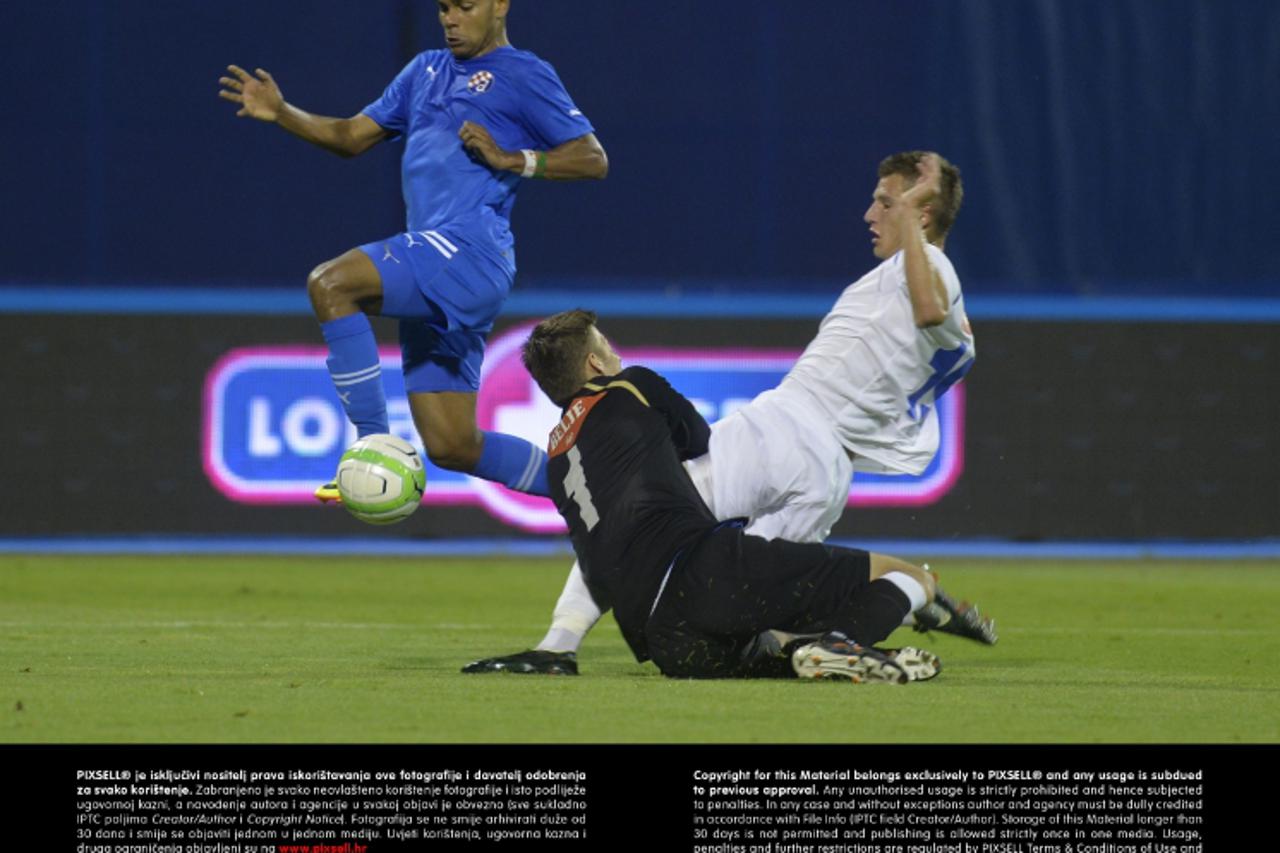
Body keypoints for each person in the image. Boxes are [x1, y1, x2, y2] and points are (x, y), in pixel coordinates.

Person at [464, 151, 993, 676]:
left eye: (886, 202)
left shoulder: (929, 267)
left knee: (638, 520)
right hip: (828, 470)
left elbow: (928, 309)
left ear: (923, 213)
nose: (870, 214)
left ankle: (558, 645)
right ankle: (871, 624)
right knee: (759, 598)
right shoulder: (953, 327)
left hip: (786, 430)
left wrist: (911, 214)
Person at [218, 0, 607, 500]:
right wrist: (281, 113)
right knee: (453, 445)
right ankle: (595, 493)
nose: (450, 18)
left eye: (464, 6)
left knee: (331, 283)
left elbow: (591, 158)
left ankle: (370, 448)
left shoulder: (525, 74)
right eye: (443, 7)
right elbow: (351, 137)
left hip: (468, 253)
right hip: (434, 263)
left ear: (499, 5)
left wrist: (513, 159)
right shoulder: (424, 69)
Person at [518, 318, 945, 682]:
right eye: (606, 347)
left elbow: (594, 563)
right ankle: (844, 641)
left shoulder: (557, 457)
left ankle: (824, 651)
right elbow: (698, 438)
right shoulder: (631, 384)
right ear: (595, 363)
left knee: (777, 650)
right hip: (705, 574)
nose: (615, 355)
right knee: (910, 577)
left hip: (664, 644)